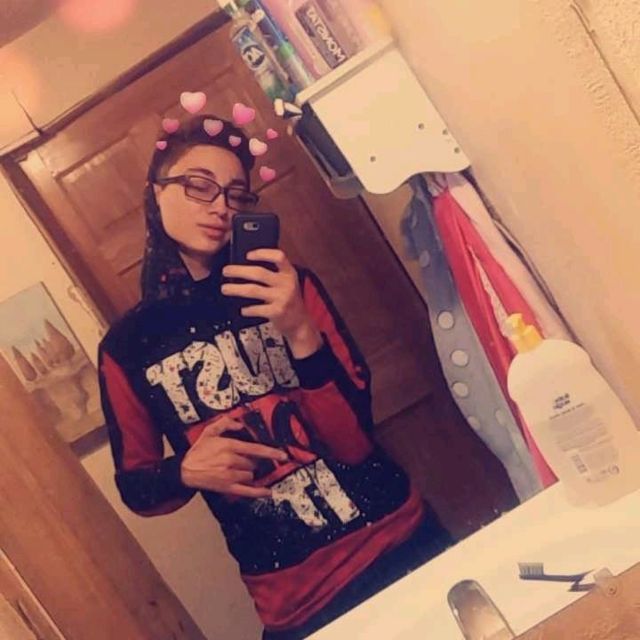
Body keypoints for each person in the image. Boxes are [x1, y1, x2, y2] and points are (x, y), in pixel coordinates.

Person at [98, 114, 452, 639]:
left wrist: (300, 331)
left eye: (235, 194)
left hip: (400, 543)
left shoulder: (289, 288)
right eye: (198, 186)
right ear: (156, 192)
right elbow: (137, 488)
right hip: (295, 603)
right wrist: (184, 472)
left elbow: (354, 443)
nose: (220, 206)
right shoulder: (128, 347)